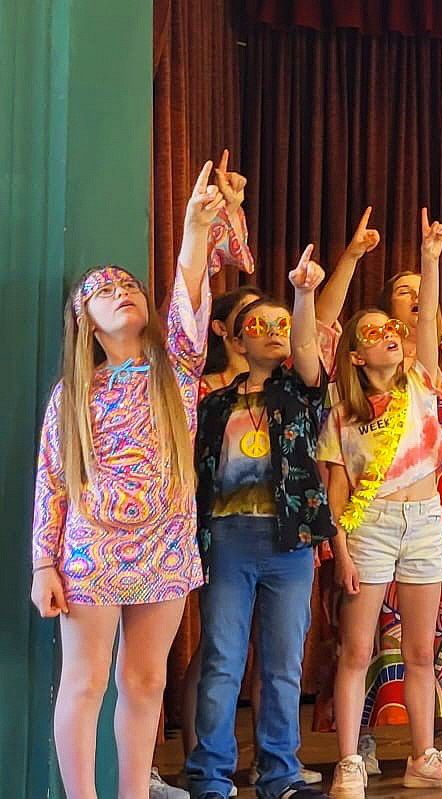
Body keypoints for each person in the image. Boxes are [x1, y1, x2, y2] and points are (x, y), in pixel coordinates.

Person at [31, 162, 222, 799]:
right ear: (85, 319)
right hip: (92, 546)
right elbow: (52, 481)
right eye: (103, 290)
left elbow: (189, 289)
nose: (121, 292)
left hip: (166, 540)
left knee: (145, 680)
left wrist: (196, 226)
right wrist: (43, 563)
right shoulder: (74, 393)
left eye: (130, 285)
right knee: (85, 681)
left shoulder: (177, 370)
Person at [312, 198, 442, 773]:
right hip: (370, 525)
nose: (405, 320)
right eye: (400, 300)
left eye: (421, 300)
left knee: (425, 647)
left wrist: (431, 257)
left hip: (429, 520)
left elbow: (437, 323)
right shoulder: (344, 406)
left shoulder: (425, 376)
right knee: (359, 646)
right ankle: (353, 756)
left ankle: (427, 752)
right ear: (358, 348)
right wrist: (342, 547)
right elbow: (336, 487)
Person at [184, 251, 333, 799]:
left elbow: (308, 354)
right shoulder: (214, 405)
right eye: (259, 326)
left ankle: (280, 774)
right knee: (223, 660)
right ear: (236, 340)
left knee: (282, 664)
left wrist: (303, 295)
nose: (273, 333)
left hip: (287, 541)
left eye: (281, 326)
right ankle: (211, 776)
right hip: (228, 539)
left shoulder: (298, 392)